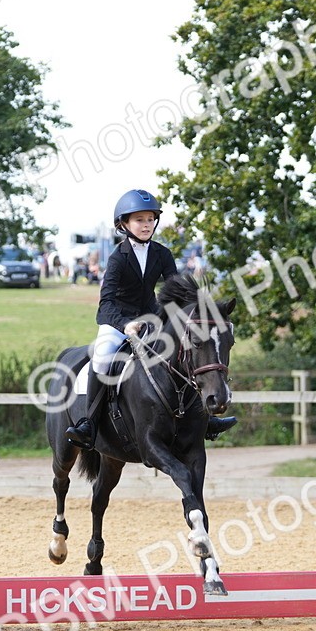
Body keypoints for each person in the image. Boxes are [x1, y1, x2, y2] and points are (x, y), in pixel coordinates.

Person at [65, 188, 237, 450]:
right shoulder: (117, 259)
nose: (146, 225)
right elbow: (106, 302)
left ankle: (205, 419)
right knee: (101, 357)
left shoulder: (162, 254)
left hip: (151, 322)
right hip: (117, 323)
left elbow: (177, 293)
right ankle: (89, 424)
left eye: (149, 220)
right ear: (124, 224)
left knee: (185, 354)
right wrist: (125, 324)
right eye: (139, 220)